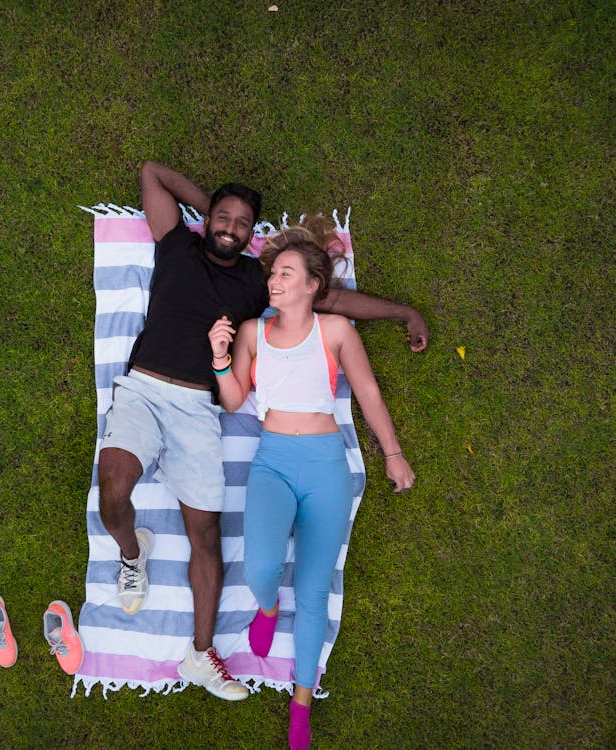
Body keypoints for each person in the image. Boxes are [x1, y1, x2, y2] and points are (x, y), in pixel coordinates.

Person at [96, 161, 427, 701]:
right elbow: (151, 173)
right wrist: (213, 211)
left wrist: (402, 312)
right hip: (142, 390)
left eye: (243, 223)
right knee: (113, 484)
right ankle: (133, 553)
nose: (230, 227)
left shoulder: (258, 283)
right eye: (222, 217)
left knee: (206, 535)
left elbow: (335, 302)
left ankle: (200, 656)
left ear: (255, 236)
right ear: (204, 218)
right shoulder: (176, 243)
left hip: (200, 410)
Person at [207, 216, 415, 748]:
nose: (273, 281)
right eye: (273, 273)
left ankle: (301, 702)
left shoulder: (336, 331)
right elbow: (234, 401)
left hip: (325, 465)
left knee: (314, 589)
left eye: (285, 273)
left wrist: (393, 455)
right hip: (273, 460)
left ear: (312, 285)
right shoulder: (255, 331)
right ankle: (267, 607)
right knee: (261, 567)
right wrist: (221, 358)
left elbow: (367, 393)